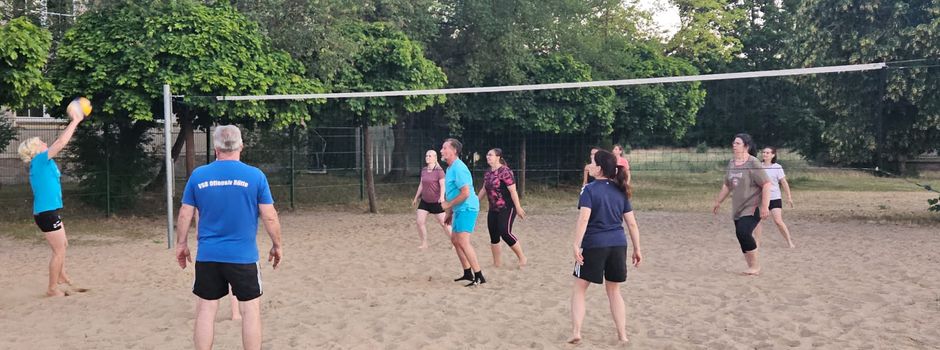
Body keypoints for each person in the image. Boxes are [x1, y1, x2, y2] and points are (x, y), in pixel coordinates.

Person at [174, 125, 283, 350]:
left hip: (209, 256)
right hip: (243, 257)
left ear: (215, 148)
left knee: (205, 310)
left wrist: (181, 244)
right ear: (241, 146)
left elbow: (185, 212)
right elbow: (269, 216)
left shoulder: (199, 176)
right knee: (250, 311)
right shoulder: (255, 176)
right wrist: (277, 244)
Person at [569, 149, 642, 345]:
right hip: (618, 244)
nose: (589, 165)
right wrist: (637, 248)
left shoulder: (590, 189)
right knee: (614, 291)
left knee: (579, 288)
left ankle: (576, 331)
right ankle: (622, 334)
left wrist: (576, 244)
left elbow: (584, 218)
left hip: (594, 244)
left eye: (592, 162)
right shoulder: (621, 189)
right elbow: (632, 223)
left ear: (599, 169)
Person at [18, 102, 85, 297]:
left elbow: (57, 145)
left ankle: (61, 275)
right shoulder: (39, 161)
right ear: (36, 150)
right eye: (40, 142)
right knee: (59, 251)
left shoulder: (44, 163)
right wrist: (75, 120)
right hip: (46, 214)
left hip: (49, 211)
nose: (44, 143)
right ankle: (52, 289)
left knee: (64, 245)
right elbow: (61, 143)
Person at [712, 133, 771, 276]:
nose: (734, 145)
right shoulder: (732, 163)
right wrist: (718, 201)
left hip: (753, 206)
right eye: (733, 143)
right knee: (741, 236)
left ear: (746, 146)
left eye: (737, 143)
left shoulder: (753, 162)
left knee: (743, 232)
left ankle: (755, 266)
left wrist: (764, 206)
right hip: (738, 207)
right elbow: (727, 185)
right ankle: (751, 266)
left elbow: (767, 184)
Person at [440, 138, 486, 286]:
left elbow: (465, 193)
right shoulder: (450, 168)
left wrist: (448, 205)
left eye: (444, 148)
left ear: (454, 151)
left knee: (463, 241)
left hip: (468, 207)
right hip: (459, 208)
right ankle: (467, 272)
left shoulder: (459, 168)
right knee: (455, 239)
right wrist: (450, 212)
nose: (442, 151)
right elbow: (454, 192)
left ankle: (479, 276)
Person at [476, 148, 527, 268]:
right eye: (487, 155)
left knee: (505, 232)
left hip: (507, 207)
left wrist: (518, 207)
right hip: (493, 209)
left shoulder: (505, 171)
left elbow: (513, 191)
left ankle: (522, 257)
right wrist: (475, 202)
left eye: (491, 155)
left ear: (498, 157)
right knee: (493, 235)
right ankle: (497, 263)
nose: (488, 157)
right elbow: (484, 189)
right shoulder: (488, 172)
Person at [753, 147, 795, 248]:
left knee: (778, 221)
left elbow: (784, 182)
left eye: (767, 153)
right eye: (763, 152)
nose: (765, 154)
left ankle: (789, 241)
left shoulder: (777, 167)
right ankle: (757, 244)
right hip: (761, 198)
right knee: (757, 221)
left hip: (775, 197)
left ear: (773, 155)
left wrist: (789, 197)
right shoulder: (758, 166)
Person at [412, 150, 451, 249]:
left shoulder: (439, 171)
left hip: (436, 202)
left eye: (430, 156)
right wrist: (416, 197)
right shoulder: (424, 170)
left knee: (444, 224)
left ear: (435, 158)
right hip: (425, 201)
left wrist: (442, 197)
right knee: (419, 222)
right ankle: (424, 243)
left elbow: (443, 185)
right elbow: (421, 185)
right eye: (426, 156)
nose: (427, 157)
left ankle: (454, 242)